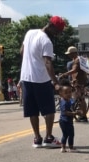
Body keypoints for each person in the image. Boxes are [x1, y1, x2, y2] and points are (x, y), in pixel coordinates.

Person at [20, 15, 66, 148]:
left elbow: (22, 51)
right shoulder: (46, 42)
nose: (57, 34)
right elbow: (47, 62)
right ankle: (48, 138)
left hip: (26, 78)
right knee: (49, 110)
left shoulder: (30, 33)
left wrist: (29, 63)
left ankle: (37, 138)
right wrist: (56, 82)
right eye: (57, 31)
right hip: (41, 79)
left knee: (32, 110)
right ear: (51, 26)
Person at [60, 46, 88, 122]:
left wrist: (65, 74)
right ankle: (81, 114)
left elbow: (74, 70)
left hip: (79, 82)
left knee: (81, 99)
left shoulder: (77, 60)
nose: (69, 55)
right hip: (80, 82)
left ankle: (83, 116)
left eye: (70, 54)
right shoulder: (81, 59)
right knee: (80, 99)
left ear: (74, 53)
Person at [58, 79, 81, 153]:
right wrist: (75, 113)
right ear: (61, 94)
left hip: (69, 121)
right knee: (68, 134)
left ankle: (67, 147)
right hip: (64, 121)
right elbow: (66, 113)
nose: (68, 94)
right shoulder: (64, 102)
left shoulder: (69, 100)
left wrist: (76, 115)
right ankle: (66, 147)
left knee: (69, 134)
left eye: (70, 92)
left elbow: (72, 108)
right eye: (66, 93)